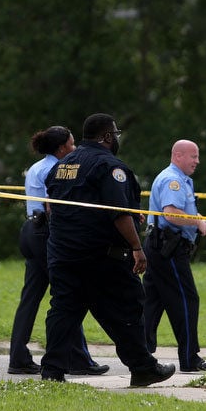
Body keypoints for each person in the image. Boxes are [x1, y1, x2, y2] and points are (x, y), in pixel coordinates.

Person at [41, 113, 175, 387]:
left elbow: (52, 206)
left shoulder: (62, 165)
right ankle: (142, 367)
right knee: (128, 307)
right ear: (106, 136)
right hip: (101, 256)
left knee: (64, 310)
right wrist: (137, 247)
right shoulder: (109, 166)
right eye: (115, 133)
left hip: (64, 254)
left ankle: (52, 372)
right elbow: (118, 214)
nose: (117, 138)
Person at [8, 125, 108, 376]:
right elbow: (54, 207)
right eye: (72, 144)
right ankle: (80, 360)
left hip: (30, 229)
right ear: (62, 147)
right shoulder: (56, 169)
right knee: (68, 293)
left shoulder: (36, 167)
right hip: (47, 232)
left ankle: (18, 356)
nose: (75, 149)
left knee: (30, 297)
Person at [143, 140, 206, 373]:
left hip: (160, 246)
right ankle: (190, 358)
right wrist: (196, 221)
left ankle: (141, 354)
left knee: (152, 302)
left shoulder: (180, 180)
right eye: (193, 156)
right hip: (169, 249)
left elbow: (184, 212)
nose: (197, 161)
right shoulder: (173, 181)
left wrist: (202, 222)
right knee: (186, 300)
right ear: (178, 156)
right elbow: (172, 214)